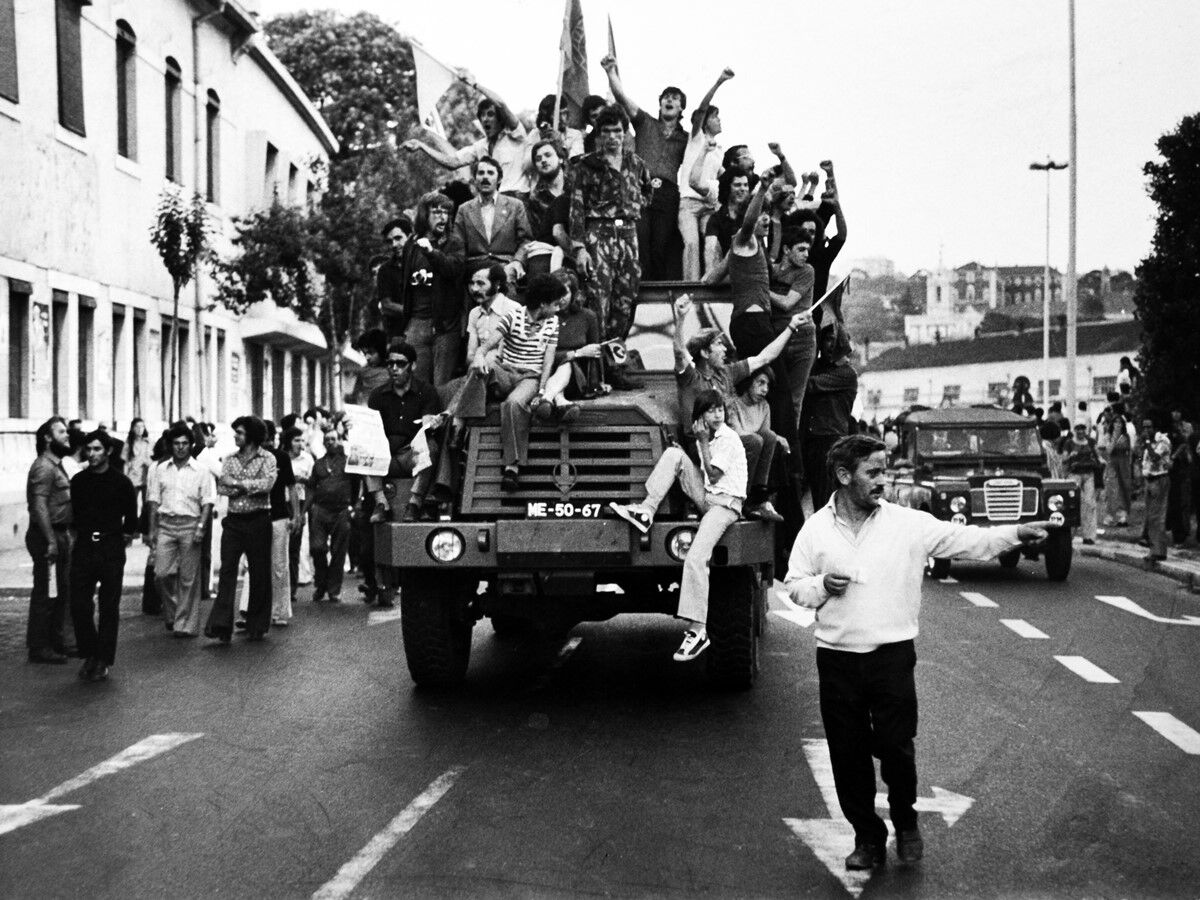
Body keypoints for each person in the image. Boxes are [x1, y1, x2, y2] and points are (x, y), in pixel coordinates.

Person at [784, 435, 1054, 870]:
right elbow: (794, 584)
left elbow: (967, 541)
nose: (883, 482)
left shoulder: (908, 523)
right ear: (843, 475)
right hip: (836, 659)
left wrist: (1014, 534)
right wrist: (820, 586)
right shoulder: (815, 529)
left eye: (884, 471)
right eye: (873, 473)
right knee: (847, 754)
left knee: (896, 746)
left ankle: (906, 821)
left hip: (891, 656)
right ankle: (868, 839)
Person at [609, 390, 747, 661]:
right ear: (701, 416)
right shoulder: (705, 437)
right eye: (710, 411)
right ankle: (647, 510)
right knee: (674, 455)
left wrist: (703, 441)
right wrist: (697, 443)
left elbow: (715, 475)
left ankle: (698, 631)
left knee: (695, 558)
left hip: (725, 505)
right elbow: (703, 477)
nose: (717, 415)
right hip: (708, 498)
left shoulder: (728, 439)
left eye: (720, 410)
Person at [672, 293, 808, 520]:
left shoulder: (725, 373)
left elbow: (765, 357)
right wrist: (680, 319)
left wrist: (791, 327)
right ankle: (740, 500)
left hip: (725, 441)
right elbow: (678, 351)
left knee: (769, 437)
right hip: (701, 442)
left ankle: (758, 498)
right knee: (754, 441)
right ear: (705, 353)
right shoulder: (690, 379)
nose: (725, 349)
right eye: (718, 345)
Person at [704, 170, 800, 442]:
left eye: (768, 212)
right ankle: (786, 464)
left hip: (752, 324)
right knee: (778, 391)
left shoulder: (744, 248)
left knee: (758, 390)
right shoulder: (743, 239)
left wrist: (712, 275)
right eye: (761, 213)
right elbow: (747, 223)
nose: (766, 218)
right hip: (753, 324)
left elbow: (713, 277)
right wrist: (763, 188)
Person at [450, 274, 569, 491]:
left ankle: (511, 468)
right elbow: (487, 345)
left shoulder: (552, 323)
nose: (557, 309)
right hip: (506, 371)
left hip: (529, 378)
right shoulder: (513, 316)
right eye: (554, 304)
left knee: (513, 404)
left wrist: (542, 390)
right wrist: (479, 356)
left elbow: (548, 361)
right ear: (542, 304)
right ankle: (459, 425)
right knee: (481, 368)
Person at [568, 105, 654, 390]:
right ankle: (596, 374)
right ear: (599, 135)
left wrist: (631, 209)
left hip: (628, 234)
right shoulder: (585, 166)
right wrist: (579, 247)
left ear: (625, 133)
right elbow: (577, 209)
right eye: (606, 131)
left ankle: (614, 367)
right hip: (598, 234)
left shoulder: (636, 163)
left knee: (625, 301)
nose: (613, 137)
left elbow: (647, 193)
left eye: (618, 130)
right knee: (598, 301)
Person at [601, 54, 687, 280]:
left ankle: (656, 293)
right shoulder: (645, 122)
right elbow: (622, 97)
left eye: (675, 98)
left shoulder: (685, 138)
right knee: (639, 240)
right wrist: (610, 71)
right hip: (639, 187)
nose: (669, 100)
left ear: (681, 108)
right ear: (660, 103)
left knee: (661, 243)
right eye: (665, 97)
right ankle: (641, 289)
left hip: (667, 192)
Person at [69, 431, 139, 682]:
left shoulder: (121, 482)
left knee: (109, 606)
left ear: (108, 451)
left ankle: (103, 659)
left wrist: (120, 538)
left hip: (110, 547)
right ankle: (89, 652)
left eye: (98, 449)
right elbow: (74, 517)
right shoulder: (78, 481)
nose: (92, 454)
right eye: (89, 449)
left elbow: (131, 520)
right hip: (85, 547)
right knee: (79, 603)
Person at [205, 415, 277, 643]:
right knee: (227, 571)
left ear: (253, 436)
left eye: (240, 433)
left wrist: (237, 484)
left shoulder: (268, 458)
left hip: (258, 520)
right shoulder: (228, 459)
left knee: (259, 572)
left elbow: (267, 485)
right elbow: (222, 486)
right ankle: (221, 625)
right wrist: (244, 486)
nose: (235, 436)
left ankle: (257, 624)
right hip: (234, 521)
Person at [403, 76, 532, 195]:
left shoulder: (516, 135)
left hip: (518, 197)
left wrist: (474, 84)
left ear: (500, 118)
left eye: (490, 114)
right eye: (482, 115)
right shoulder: (480, 146)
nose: (485, 119)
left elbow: (501, 104)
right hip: (495, 202)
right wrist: (422, 146)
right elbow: (452, 162)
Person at [146, 423, 216, 637]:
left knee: (188, 578)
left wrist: (201, 527)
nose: (180, 448)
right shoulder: (160, 469)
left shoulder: (201, 470)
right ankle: (174, 611)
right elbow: (153, 501)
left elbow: (207, 502)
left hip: (190, 524)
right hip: (166, 524)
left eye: (185, 443)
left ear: (191, 445)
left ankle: (184, 624)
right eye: (176, 444)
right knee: (161, 574)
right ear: (170, 445)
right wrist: (152, 530)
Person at [388, 192, 466, 384]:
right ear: (424, 215)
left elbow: (453, 269)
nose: (443, 217)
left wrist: (432, 253)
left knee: (441, 384)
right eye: (437, 212)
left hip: (444, 325)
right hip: (416, 323)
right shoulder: (411, 245)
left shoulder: (454, 242)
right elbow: (405, 285)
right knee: (417, 385)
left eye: (446, 212)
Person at [365, 341, 443, 523]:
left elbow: (428, 423)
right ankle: (381, 503)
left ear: (413, 366)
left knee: (430, 448)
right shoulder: (377, 395)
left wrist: (431, 422)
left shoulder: (427, 392)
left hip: (411, 453)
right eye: (390, 364)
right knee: (363, 449)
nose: (394, 369)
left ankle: (414, 503)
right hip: (386, 456)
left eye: (400, 364)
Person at [25, 417, 75, 664]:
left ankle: (56, 642)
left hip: (60, 533)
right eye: (61, 431)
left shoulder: (57, 464)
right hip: (48, 535)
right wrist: (50, 541)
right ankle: (40, 647)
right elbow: (39, 506)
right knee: (46, 593)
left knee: (60, 591)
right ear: (47, 437)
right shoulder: (44, 467)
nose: (67, 435)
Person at [677, 67, 734, 280]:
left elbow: (725, 176)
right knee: (691, 243)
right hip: (689, 204)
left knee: (713, 241)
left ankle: (712, 280)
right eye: (716, 116)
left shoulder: (718, 149)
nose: (719, 120)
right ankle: (690, 286)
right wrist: (719, 81)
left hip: (709, 204)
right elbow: (702, 108)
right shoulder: (696, 137)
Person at [801, 321, 860, 511]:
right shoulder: (818, 367)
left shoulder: (847, 374)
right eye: (826, 339)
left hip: (830, 441)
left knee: (826, 498)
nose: (830, 345)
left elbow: (808, 385)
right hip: (811, 440)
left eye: (835, 340)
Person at [450, 157, 532, 281]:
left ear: (499, 179)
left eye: (490, 173)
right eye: (481, 173)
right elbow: (457, 245)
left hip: (506, 268)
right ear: (474, 179)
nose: (485, 177)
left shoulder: (515, 206)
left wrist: (518, 262)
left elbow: (526, 240)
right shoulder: (464, 209)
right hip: (474, 269)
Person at [728, 367, 787, 522]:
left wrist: (778, 438)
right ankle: (743, 498)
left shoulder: (764, 406)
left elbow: (766, 433)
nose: (765, 389)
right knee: (756, 441)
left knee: (770, 438)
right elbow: (737, 433)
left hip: (756, 450)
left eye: (767, 385)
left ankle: (761, 497)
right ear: (749, 382)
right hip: (737, 452)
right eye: (760, 383)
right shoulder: (734, 404)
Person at [307, 428, 357, 604]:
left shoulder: (348, 462)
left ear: (339, 441)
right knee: (317, 548)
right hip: (321, 510)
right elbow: (312, 487)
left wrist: (355, 506)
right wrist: (308, 508)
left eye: (333, 439)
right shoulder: (319, 464)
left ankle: (333, 590)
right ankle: (321, 584)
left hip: (342, 511)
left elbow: (357, 484)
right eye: (327, 440)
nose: (330, 442)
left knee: (338, 551)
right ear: (323, 443)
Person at [520, 140, 573, 273]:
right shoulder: (535, 198)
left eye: (548, 155)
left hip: (576, 246)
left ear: (560, 158)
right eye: (538, 159)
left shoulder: (575, 188)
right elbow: (536, 234)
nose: (543, 160)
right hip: (547, 250)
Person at [284, 426, 314, 603]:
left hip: (299, 505)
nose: (300, 444)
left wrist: (302, 512)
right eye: (296, 440)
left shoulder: (307, 460)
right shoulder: (281, 458)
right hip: (282, 504)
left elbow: (312, 485)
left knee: (294, 549)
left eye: (302, 440)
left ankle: (292, 588)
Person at [1061, 422, 1102, 544]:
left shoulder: (1090, 441)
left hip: (1089, 474)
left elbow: (1098, 456)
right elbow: (1063, 459)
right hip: (1074, 474)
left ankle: (1089, 535)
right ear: (1075, 429)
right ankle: (1070, 535)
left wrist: (1100, 461)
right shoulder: (1069, 443)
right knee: (1073, 503)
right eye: (1078, 428)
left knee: (1089, 504)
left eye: (1083, 428)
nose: (1081, 431)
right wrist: (1070, 456)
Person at [703, 172, 749, 275]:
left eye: (746, 185)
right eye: (738, 185)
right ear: (727, 188)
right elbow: (710, 249)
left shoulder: (750, 216)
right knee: (712, 245)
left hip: (750, 272)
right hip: (726, 272)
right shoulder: (716, 218)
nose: (743, 189)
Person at [375, 216, 413, 334]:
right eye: (390, 241)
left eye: (398, 238)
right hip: (399, 333)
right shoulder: (385, 270)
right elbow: (386, 305)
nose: (394, 245)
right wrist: (414, 312)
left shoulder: (424, 261)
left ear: (410, 236)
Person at [1141, 418, 1172, 561]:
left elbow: (1154, 457)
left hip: (1159, 480)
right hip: (1149, 480)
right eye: (1144, 427)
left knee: (1157, 517)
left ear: (1155, 427)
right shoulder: (1151, 442)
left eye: (1149, 427)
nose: (1146, 430)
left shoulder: (1163, 441)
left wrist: (1147, 442)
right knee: (1150, 517)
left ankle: (1158, 551)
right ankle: (1154, 549)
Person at [1102, 400, 1132, 527]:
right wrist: (1115, 436)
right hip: (1112, 465)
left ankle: (1123, 515)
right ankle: (1110, 515)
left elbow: (1129, 449)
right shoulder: (1109, 435)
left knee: (1124, 489)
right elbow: (1108, 450)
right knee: (1112, 490)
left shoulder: (1126, 436)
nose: (1118, 424)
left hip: (1124, 465)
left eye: (1120, 422)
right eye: (1115, 422)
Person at [348, 329, 391, 405]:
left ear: (381, 351)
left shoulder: (392, 372)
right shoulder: (364, 371)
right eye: (365, 353)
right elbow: (355, 395)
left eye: (371, 352)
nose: (367, 357)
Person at [1167, 427, 1194, 545]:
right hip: (1175, 476)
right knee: (1176, 506)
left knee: (1181, 506)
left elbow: (1189, 458)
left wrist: (1174, 456)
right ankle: (1178, 534)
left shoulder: (1184, 445)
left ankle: (1181, 535)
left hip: (1181, 477)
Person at [122, 418, 152, 511]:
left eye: (142, 426)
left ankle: (144, 524)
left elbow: (153, 460)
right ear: (132, 428)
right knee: (132, 504)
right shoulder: (129, 443)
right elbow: (125, 462)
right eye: (137, 426)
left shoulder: (148, 442)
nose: (140, 429)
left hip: (146, 476)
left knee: (146, 504)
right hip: (133, 476)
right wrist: (125, 477)